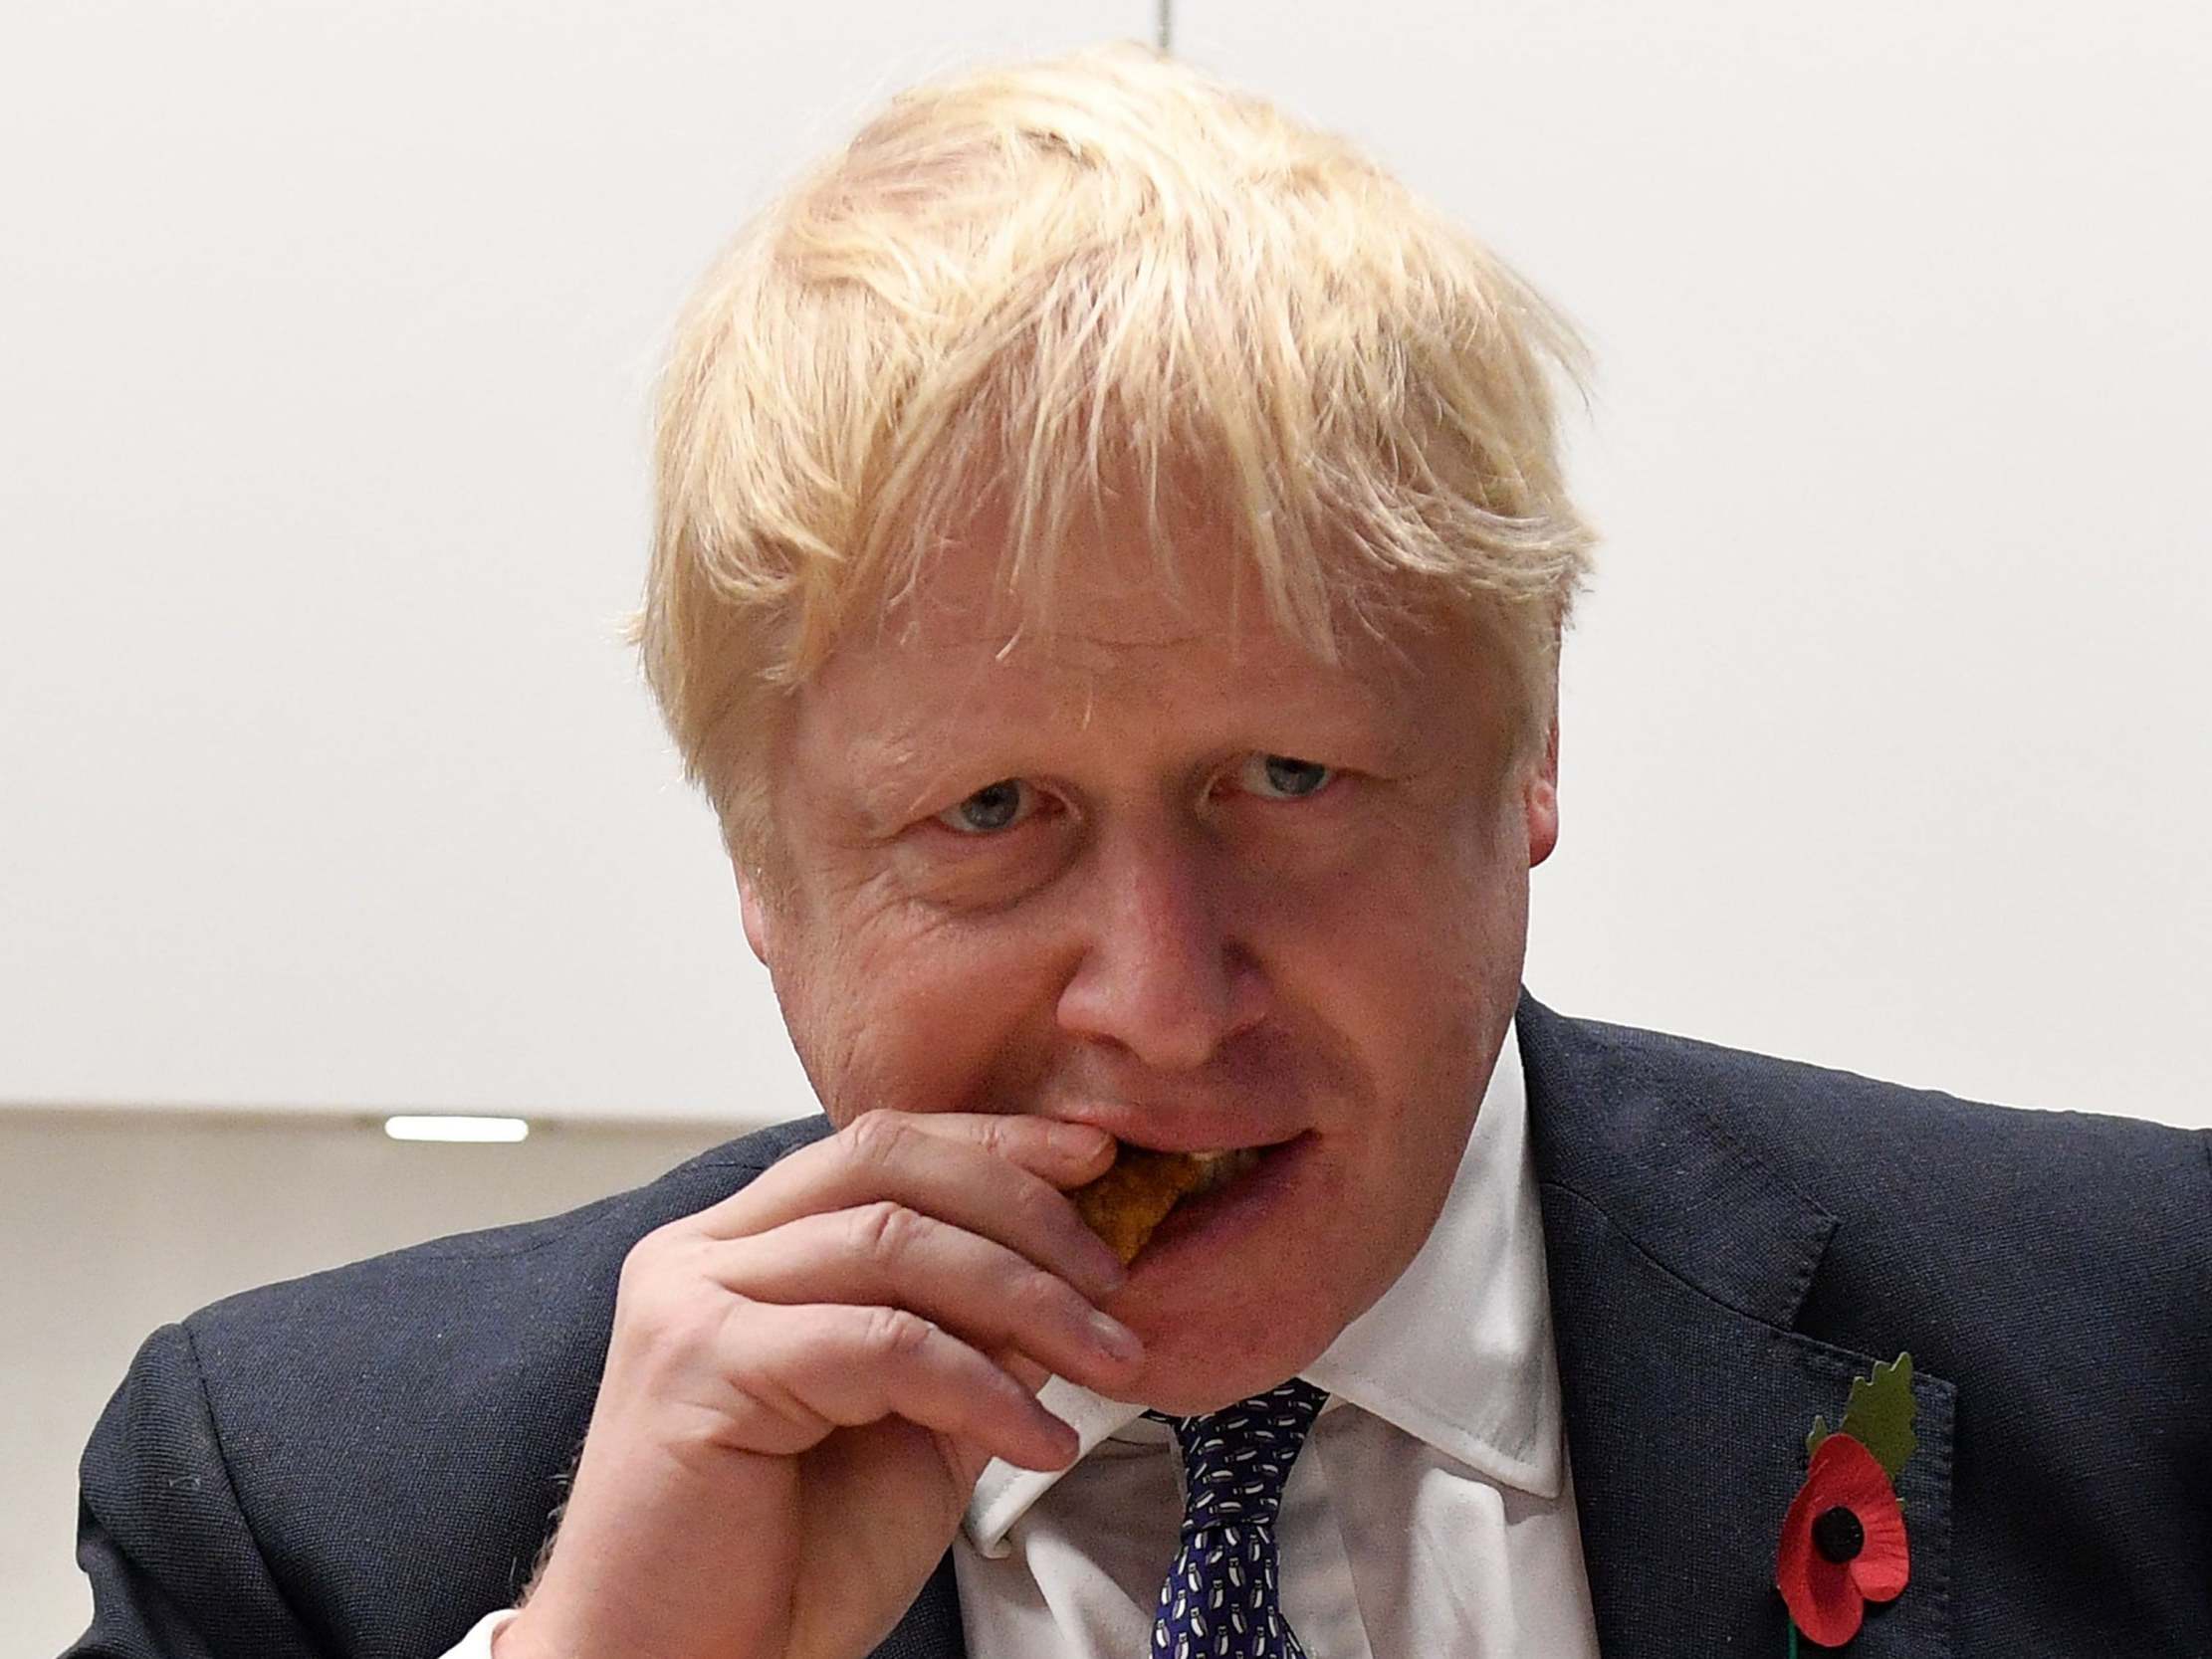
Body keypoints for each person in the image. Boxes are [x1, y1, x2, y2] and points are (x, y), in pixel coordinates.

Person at [67, 43, 2206, 1659]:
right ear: (761, 872)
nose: (1163, 1003)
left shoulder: (2143, 1353)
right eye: (987, 819)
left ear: (1527, 749)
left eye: (1285, 780)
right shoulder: (304, 1514)